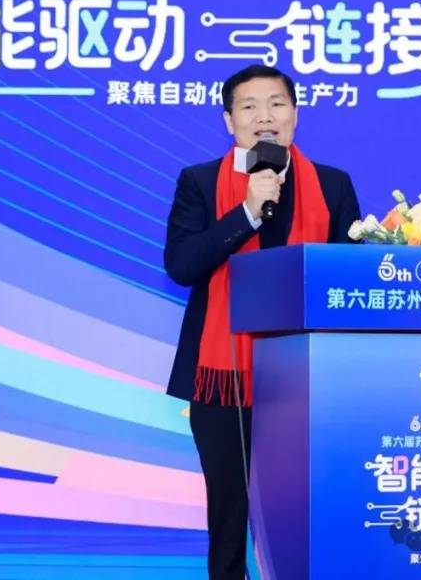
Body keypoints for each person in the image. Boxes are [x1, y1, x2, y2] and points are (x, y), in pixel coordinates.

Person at [164, 64, 361, 579]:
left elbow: (349, 278)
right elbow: (182, 265)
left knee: (304, 507)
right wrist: (248, 212)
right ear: (230, 121)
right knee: (229, 509)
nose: (264, 116)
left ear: (294, 114)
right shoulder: (199, 182)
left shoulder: (333, 184)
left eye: (276, 104)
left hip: (307, 376)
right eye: (249, 107)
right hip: (222, 375)